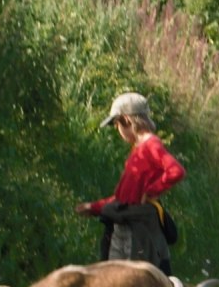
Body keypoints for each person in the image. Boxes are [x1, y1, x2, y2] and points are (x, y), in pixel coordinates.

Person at [75, 92, 185, 275]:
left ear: (127, 120)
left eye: (117, 124)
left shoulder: (151, 145)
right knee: (115, 279)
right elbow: (123, 198)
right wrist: (94, 207)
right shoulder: (138, 149)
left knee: (135, 281)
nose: (117, 129)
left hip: (139, 229)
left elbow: (176, 171)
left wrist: (152, 190)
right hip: (124, 225)